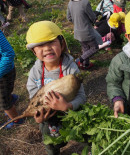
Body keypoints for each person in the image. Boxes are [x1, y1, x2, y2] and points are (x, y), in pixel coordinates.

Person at [25, 21, 86, 154]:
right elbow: (34, 99)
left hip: (70, 114)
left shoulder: (71, 68)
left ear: (62, 43)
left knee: (84, 136)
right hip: (48, 120)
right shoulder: (35, 72)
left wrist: (68, 106)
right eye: (40, 45)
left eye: (52, 42)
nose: (47, 48)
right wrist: (39, 117)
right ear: (33, 51)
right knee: (51, 144)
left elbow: (81, 97)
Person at [67, 0, 103, 70]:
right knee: (95, 47)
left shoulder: (70, 2)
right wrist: (95, 21)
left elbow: (69, 17)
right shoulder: (85, 2)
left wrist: (77, 22)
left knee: (85, 48)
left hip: (77, 31)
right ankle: (79, 60)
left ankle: (85, 65)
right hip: (87, 31)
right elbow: (92, 17)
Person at [0, 29, 23, 129]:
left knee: (3, 102)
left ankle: (16, 120)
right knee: (5, 92)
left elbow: (8, 54)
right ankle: (12, 98)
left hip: (4, 73)